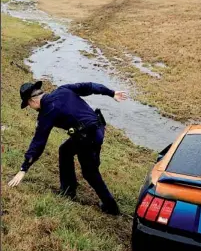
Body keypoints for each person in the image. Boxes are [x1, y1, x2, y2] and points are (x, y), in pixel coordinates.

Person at [7, 81, 127, 215]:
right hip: (98, 128)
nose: (31, 108)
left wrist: (24, 169)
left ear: (32, 101)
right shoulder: (63, 90)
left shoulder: (47, 112)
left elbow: (38, 142)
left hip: (88, 137)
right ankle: (68, 190)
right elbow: (90, 86)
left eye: (28, 105)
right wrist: (111, 93)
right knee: (65, 150)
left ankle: (112, 208)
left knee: (90, 173)